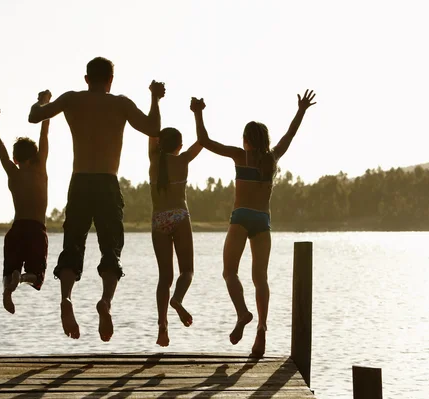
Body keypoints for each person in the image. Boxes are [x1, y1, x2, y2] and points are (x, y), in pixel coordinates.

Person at [28, 57, 166, 341]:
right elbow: (154, 128)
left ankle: (66, 299)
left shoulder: (71, 100)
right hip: (107, 181)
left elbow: (34, 116)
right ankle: (105, 302)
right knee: (111, 248)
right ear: (110, 80)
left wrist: (41, 100)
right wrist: (154, 98)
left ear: (86, 78)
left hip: (79, 181)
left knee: (72, 245)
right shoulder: (120, 104)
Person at [190, 90, 316, 356]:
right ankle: (261, 328)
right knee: (260, 279)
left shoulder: (239, 155)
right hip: (262, 220)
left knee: (229, 272)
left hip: (241, 217)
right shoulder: (272, 159)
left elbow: (204, 140)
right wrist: (301, 110)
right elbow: (289, 136)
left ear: (246, 140)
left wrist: (198, 113)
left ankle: (242, 313)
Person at [0, 93, 51, 315]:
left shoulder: (13, 172)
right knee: (37, 276)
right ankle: (22, 278)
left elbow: (0, 148)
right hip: (36, 229)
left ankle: (8, 289)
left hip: (16, 230)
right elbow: (44, 134)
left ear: (15, 159)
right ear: (36, 157)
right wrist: (46, 106)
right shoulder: (40, 170)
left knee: (8, 271)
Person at [148, 126, 202, 346]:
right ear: (180, 146)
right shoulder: (184, 160)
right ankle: (177, 299)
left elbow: (151, 127)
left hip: (159, 219)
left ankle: (162, 325)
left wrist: (155, 97)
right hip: (179, 216)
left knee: (164, 277)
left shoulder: (153, 160)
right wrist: (198, 114)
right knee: (187, 270)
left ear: (159, 144)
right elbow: (203, 140)